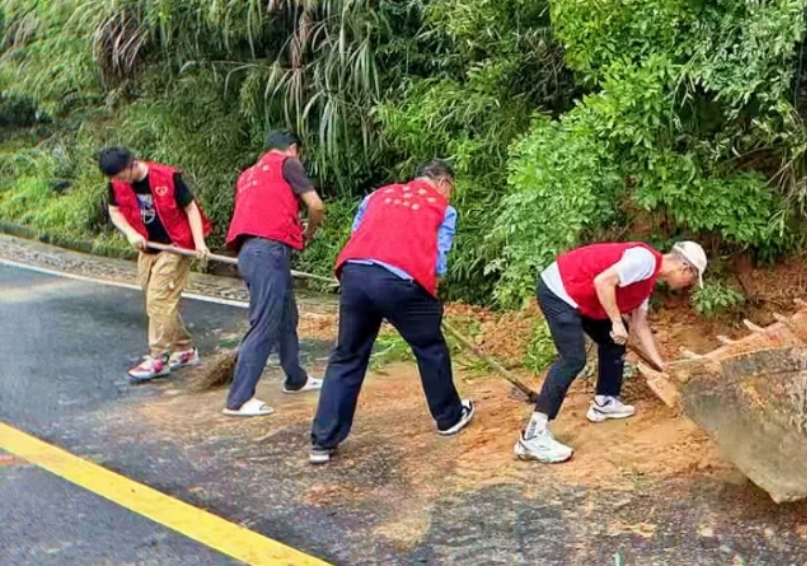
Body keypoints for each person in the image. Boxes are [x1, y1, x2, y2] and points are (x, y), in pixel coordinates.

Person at [308, 160, 473, 464]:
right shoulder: (443, 208)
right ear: (443, 183)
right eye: (451, 189)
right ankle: (449, 417)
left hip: (355, 274)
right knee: (429, 347)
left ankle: (323, 441)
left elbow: (359, 232)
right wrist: (429, 305)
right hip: (400, 281)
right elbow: (438, 261)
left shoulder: (377, 195)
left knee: (347, 355)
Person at [514, 240, 707, 464]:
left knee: (613, 339)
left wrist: (662, 367)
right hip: (559, 290)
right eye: (692, 278)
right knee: (573, 358)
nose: (688, 284)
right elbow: (603, 281)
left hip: (580, 296)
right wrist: (615, 321)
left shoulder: (648, 281)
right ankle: (532, 435)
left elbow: (639, 325)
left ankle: (605, 401)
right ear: (685, 268)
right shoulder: (644, 261)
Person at [222, 130, 326, 417]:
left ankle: (296, 378)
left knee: (286, 317)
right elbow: (316, 205)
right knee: (265, 322)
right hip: (268, 251)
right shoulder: (287, 162)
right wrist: (309, 231)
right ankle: (238, 399)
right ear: (293, 149)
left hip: (249, 251)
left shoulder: (247, 174)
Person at [99, 147, 212, 382]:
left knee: (159, 300)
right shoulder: (117, 184)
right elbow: (114, 211)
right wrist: (130, 233)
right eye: (115, 179)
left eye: (121, 176)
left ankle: (158, 357)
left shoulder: (168, 177)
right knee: (156, 299)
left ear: (132, 165)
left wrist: (199, 243)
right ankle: (184, 349)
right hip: (147, 247)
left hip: (176, 245)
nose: (119, 182)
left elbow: (191, 208)